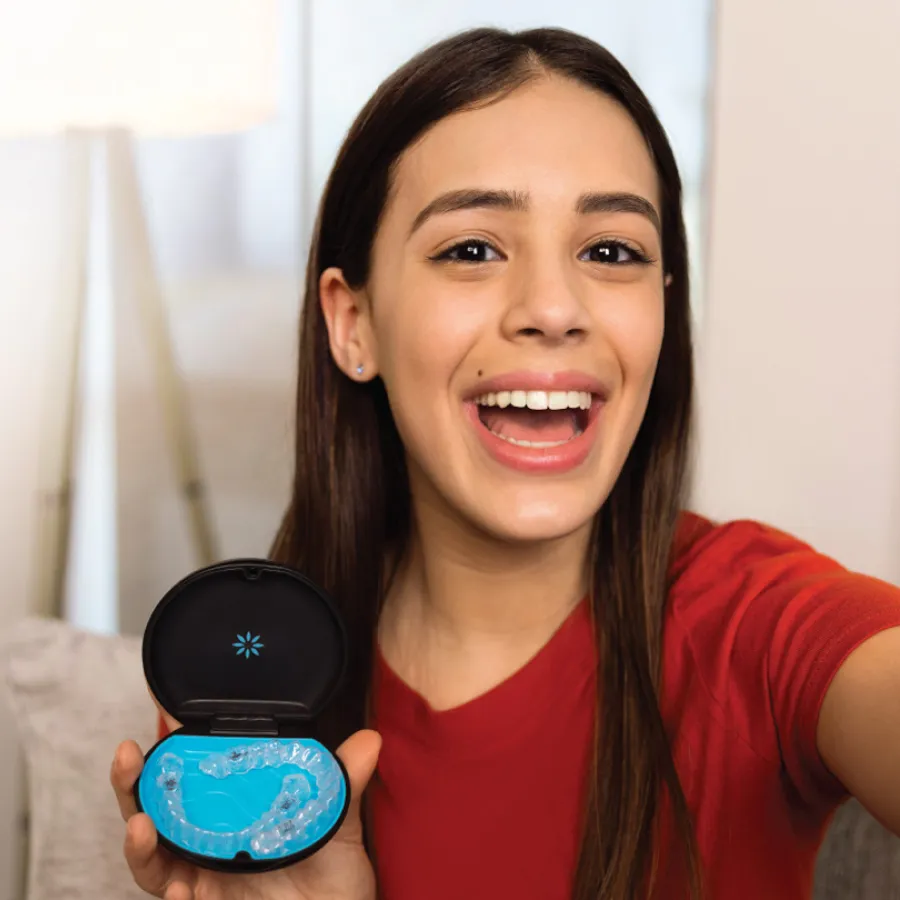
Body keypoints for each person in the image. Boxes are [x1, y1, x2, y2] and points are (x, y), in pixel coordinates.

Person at [109, 26, 900, 900]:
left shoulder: (761, 623)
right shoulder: (263, 701)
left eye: (612, 252)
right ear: (353, 324)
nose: (554, 308)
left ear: (664, 310)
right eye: (472, 249)